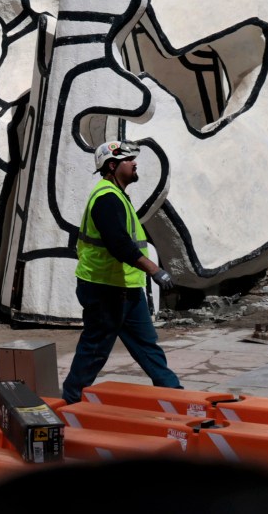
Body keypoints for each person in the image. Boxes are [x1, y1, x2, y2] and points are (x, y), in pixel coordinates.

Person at [62, 140, 182, 404]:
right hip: (105, 289)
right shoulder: (106, 198)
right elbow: (119, 245)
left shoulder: (118, 196)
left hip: (125, 288)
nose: (134, 163)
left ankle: (176, 397)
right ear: (113, 166)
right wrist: (155, 270)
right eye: (129, 160)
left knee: (148, 347)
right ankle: (69, 402)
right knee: (95, 349)